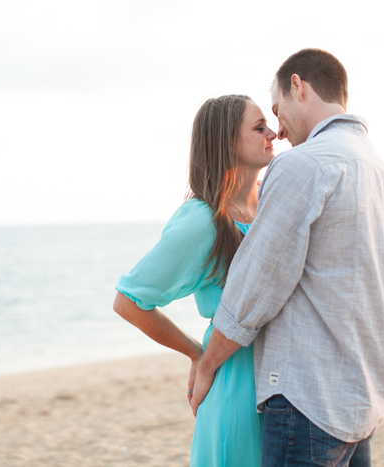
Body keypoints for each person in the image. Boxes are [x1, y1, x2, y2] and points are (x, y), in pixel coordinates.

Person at [189, 49, 384, 467]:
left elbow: (256, 286)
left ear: (298, 86)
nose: (278, 132)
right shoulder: (379, 170)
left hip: (309, 402)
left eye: (276, 109)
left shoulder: (303, 165)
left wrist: (207, 363)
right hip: (362, 401)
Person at [113, 94, 277, 466]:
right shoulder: (202, 221)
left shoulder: (273, 204)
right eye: (258, 127)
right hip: (236, 388)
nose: (273, 133)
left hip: (284, 386)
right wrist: (196, 353)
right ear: (227, 142)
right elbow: (129, 301)